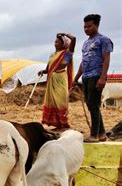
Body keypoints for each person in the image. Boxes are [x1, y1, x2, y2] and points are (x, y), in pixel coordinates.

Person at [72, 14, 113, 143]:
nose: (86, 29)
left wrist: (103, 77)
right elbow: (83, 62)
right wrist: (76, 78)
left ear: (97, 25)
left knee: (93, 105)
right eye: (84, 27)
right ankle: (101, 134)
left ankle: (94, 135)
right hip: (86, 77)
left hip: (97, 75)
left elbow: (106, 59)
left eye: (89, 26)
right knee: (91, 105)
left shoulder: (104, 40)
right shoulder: (86, 43)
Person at [38, 33, 76, 130]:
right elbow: (48, 68)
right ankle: (57, 124)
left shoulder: (67, 54)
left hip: (60, 79)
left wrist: (65, 34)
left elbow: (74, 39)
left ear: (64, 44)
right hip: (52, 80)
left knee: (61, 101)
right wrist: (43, 71)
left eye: (58, 42)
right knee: (52, 102)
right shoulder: (52, 55)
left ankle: (64, 124)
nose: (55, 43)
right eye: (55, 41)